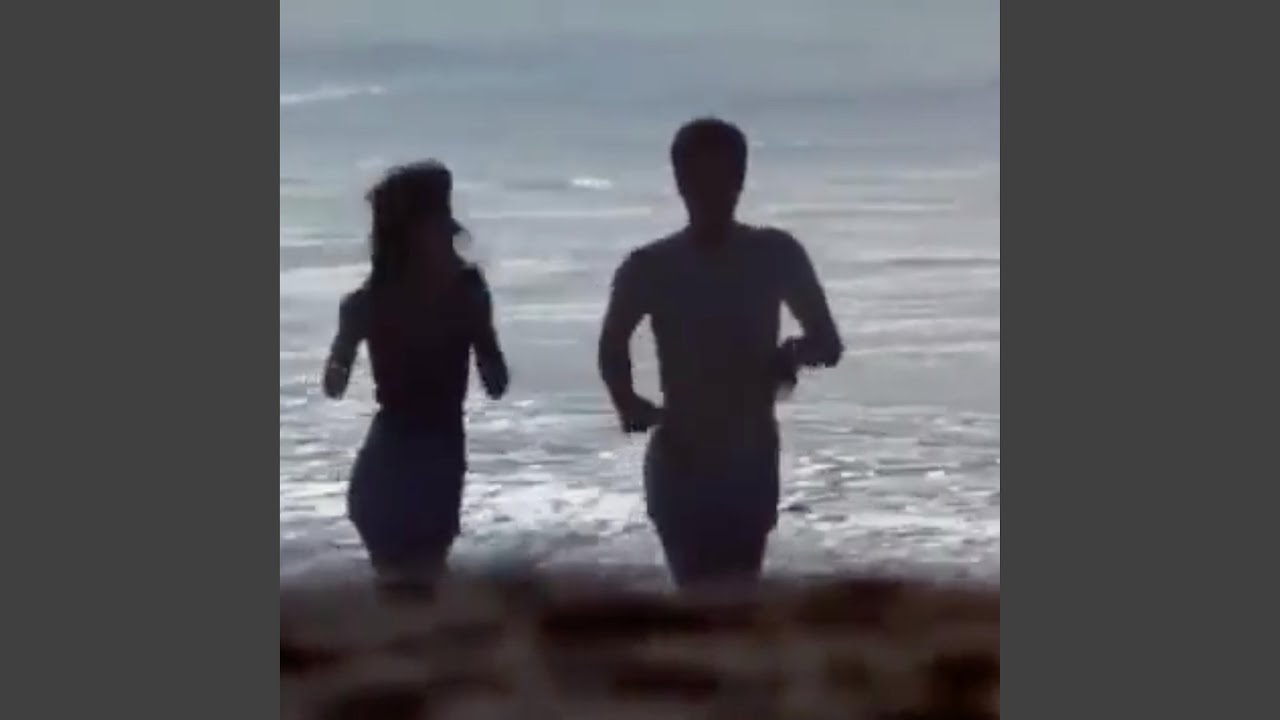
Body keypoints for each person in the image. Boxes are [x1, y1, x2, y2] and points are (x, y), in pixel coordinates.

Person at [598, 118, 844, 591]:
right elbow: (612, 344)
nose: (711, 192)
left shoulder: (775, 253)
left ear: (741, 178)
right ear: (679, 181)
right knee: (698, 595)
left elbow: (827, 342)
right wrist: (626, 402)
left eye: (723, 178)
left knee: (736, 595)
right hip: (682, 454)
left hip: (750, 455)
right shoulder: (650, 266)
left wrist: (790, 354)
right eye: (699, 180)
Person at [322, 160, 509, 593]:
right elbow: (496, 382)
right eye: (439, 222)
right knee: (414, 582)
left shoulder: (374, 301)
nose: (448, 233)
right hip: (418, 452)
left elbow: (333, 385)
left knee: (408, 582)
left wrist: (346, 346)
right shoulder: (453, 293)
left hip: (417, 455)